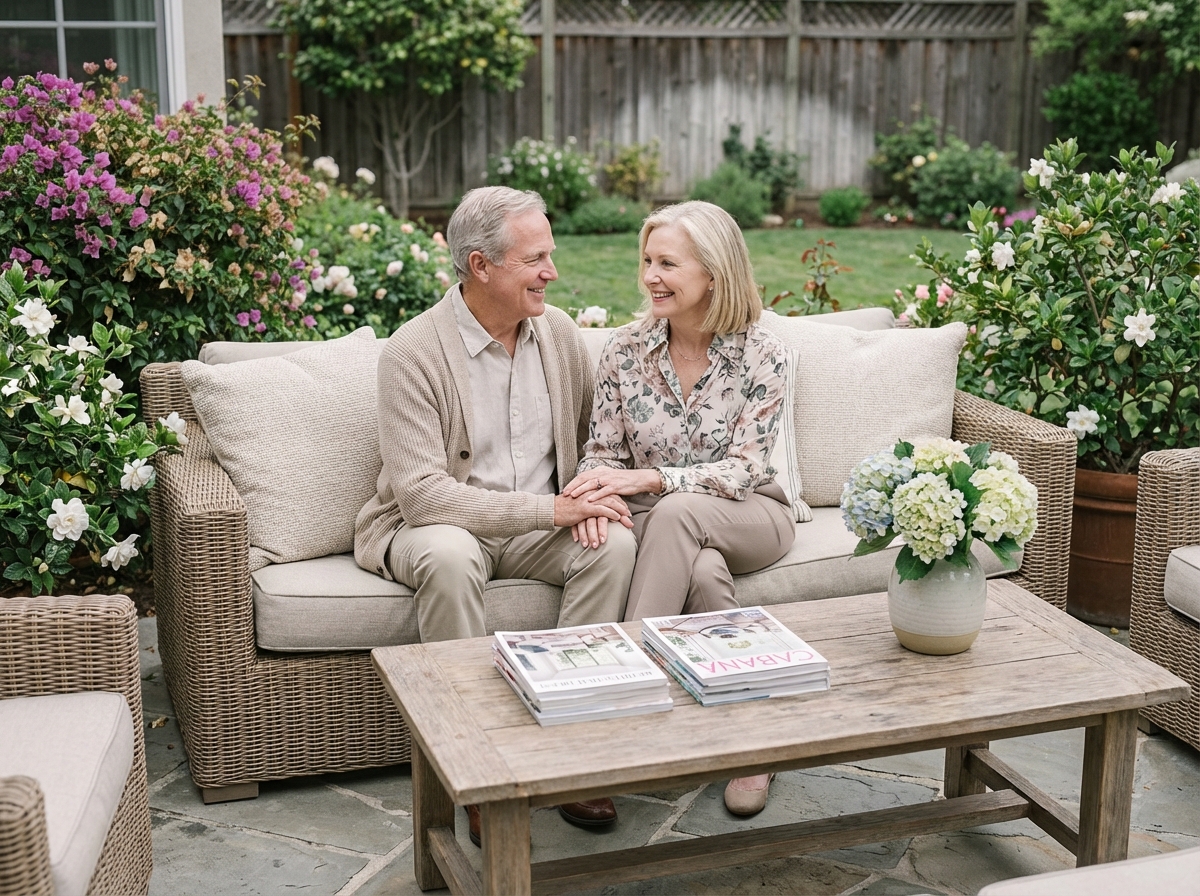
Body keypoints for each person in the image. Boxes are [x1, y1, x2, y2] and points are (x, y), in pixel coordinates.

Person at [354, 185, 637, 843]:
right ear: (480, 266)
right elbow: (422, 497)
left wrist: (589, 497)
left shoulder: (558, 334)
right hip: (438, 526)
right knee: (450, 557)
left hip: (537, 526)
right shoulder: (413, 351)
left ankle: (573, 754)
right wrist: (553, 509)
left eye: (550, 255)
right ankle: (476, 766)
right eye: (535, 259)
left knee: (613, 545)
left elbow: (592, 438)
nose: (552, 272)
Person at [563, 200, 796, 817]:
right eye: (647, 261)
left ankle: (617, 716)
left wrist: (654, 478)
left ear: (714, 273)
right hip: (656, 522)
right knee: (702, 573)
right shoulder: (624, 350)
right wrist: (595, 495)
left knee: (677, 512)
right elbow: (601, 451)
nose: (650, 277)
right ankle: (756, 743)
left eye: (668, 263)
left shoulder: (762, 353)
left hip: (751, 513)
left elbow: (746, 466)